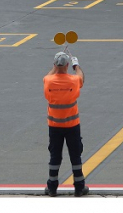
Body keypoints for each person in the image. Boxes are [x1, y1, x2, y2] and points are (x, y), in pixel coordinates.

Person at [43, 50, 88, 197]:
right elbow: (81, 77)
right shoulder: (74, 81)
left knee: (55, 156)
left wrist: (55, 67)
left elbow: (50, 75)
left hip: (55, 126)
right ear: (67, 65)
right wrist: (77, 66)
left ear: (55, 65)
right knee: (75, 156)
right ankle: (79, 187)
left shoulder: (48, 81)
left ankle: (52, 188)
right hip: (72, 125)